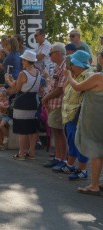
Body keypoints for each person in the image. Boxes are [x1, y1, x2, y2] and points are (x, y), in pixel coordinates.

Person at [66, 51, 103, 195]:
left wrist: (68, 75)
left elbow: (77, 87)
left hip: (95, 118)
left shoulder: (98, 77)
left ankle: (94, 185)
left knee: (95, 151)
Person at [60, 50, 92, 183]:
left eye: (72, 63)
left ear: (78, 64)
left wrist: (70, 76)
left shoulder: (87, 75)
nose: (70, 65)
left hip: (79, 116)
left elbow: (78, 88)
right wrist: (70, 75)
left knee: (80, 142)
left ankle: (83, 169)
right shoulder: (75, 75)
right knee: (72, 140)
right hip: (69, 116)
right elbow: (64, 88)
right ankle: (71, 165)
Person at [5, 50, 41, 160]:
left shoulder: (23, 73)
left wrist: (8, 81)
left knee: (22, 130)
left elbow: (16, 89)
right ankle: (32, 152)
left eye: (23, 60)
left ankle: (21, 153)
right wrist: (14, 81)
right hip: (32, 101)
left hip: (22, 102)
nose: (22, 62)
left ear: (26, 61)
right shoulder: (38, 72)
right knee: (32, 128)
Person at [41, 43, 69, 170]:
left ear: (58, 53)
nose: (49, 55)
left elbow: (60, 89)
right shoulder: (58, 67)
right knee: (56, 132)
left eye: (51, 53)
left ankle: (63, 159)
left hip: (59, 104)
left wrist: (46, 98)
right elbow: (53, 85)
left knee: (59, 132)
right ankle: (58, 158)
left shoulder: (65, 67)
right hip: (53, 104)